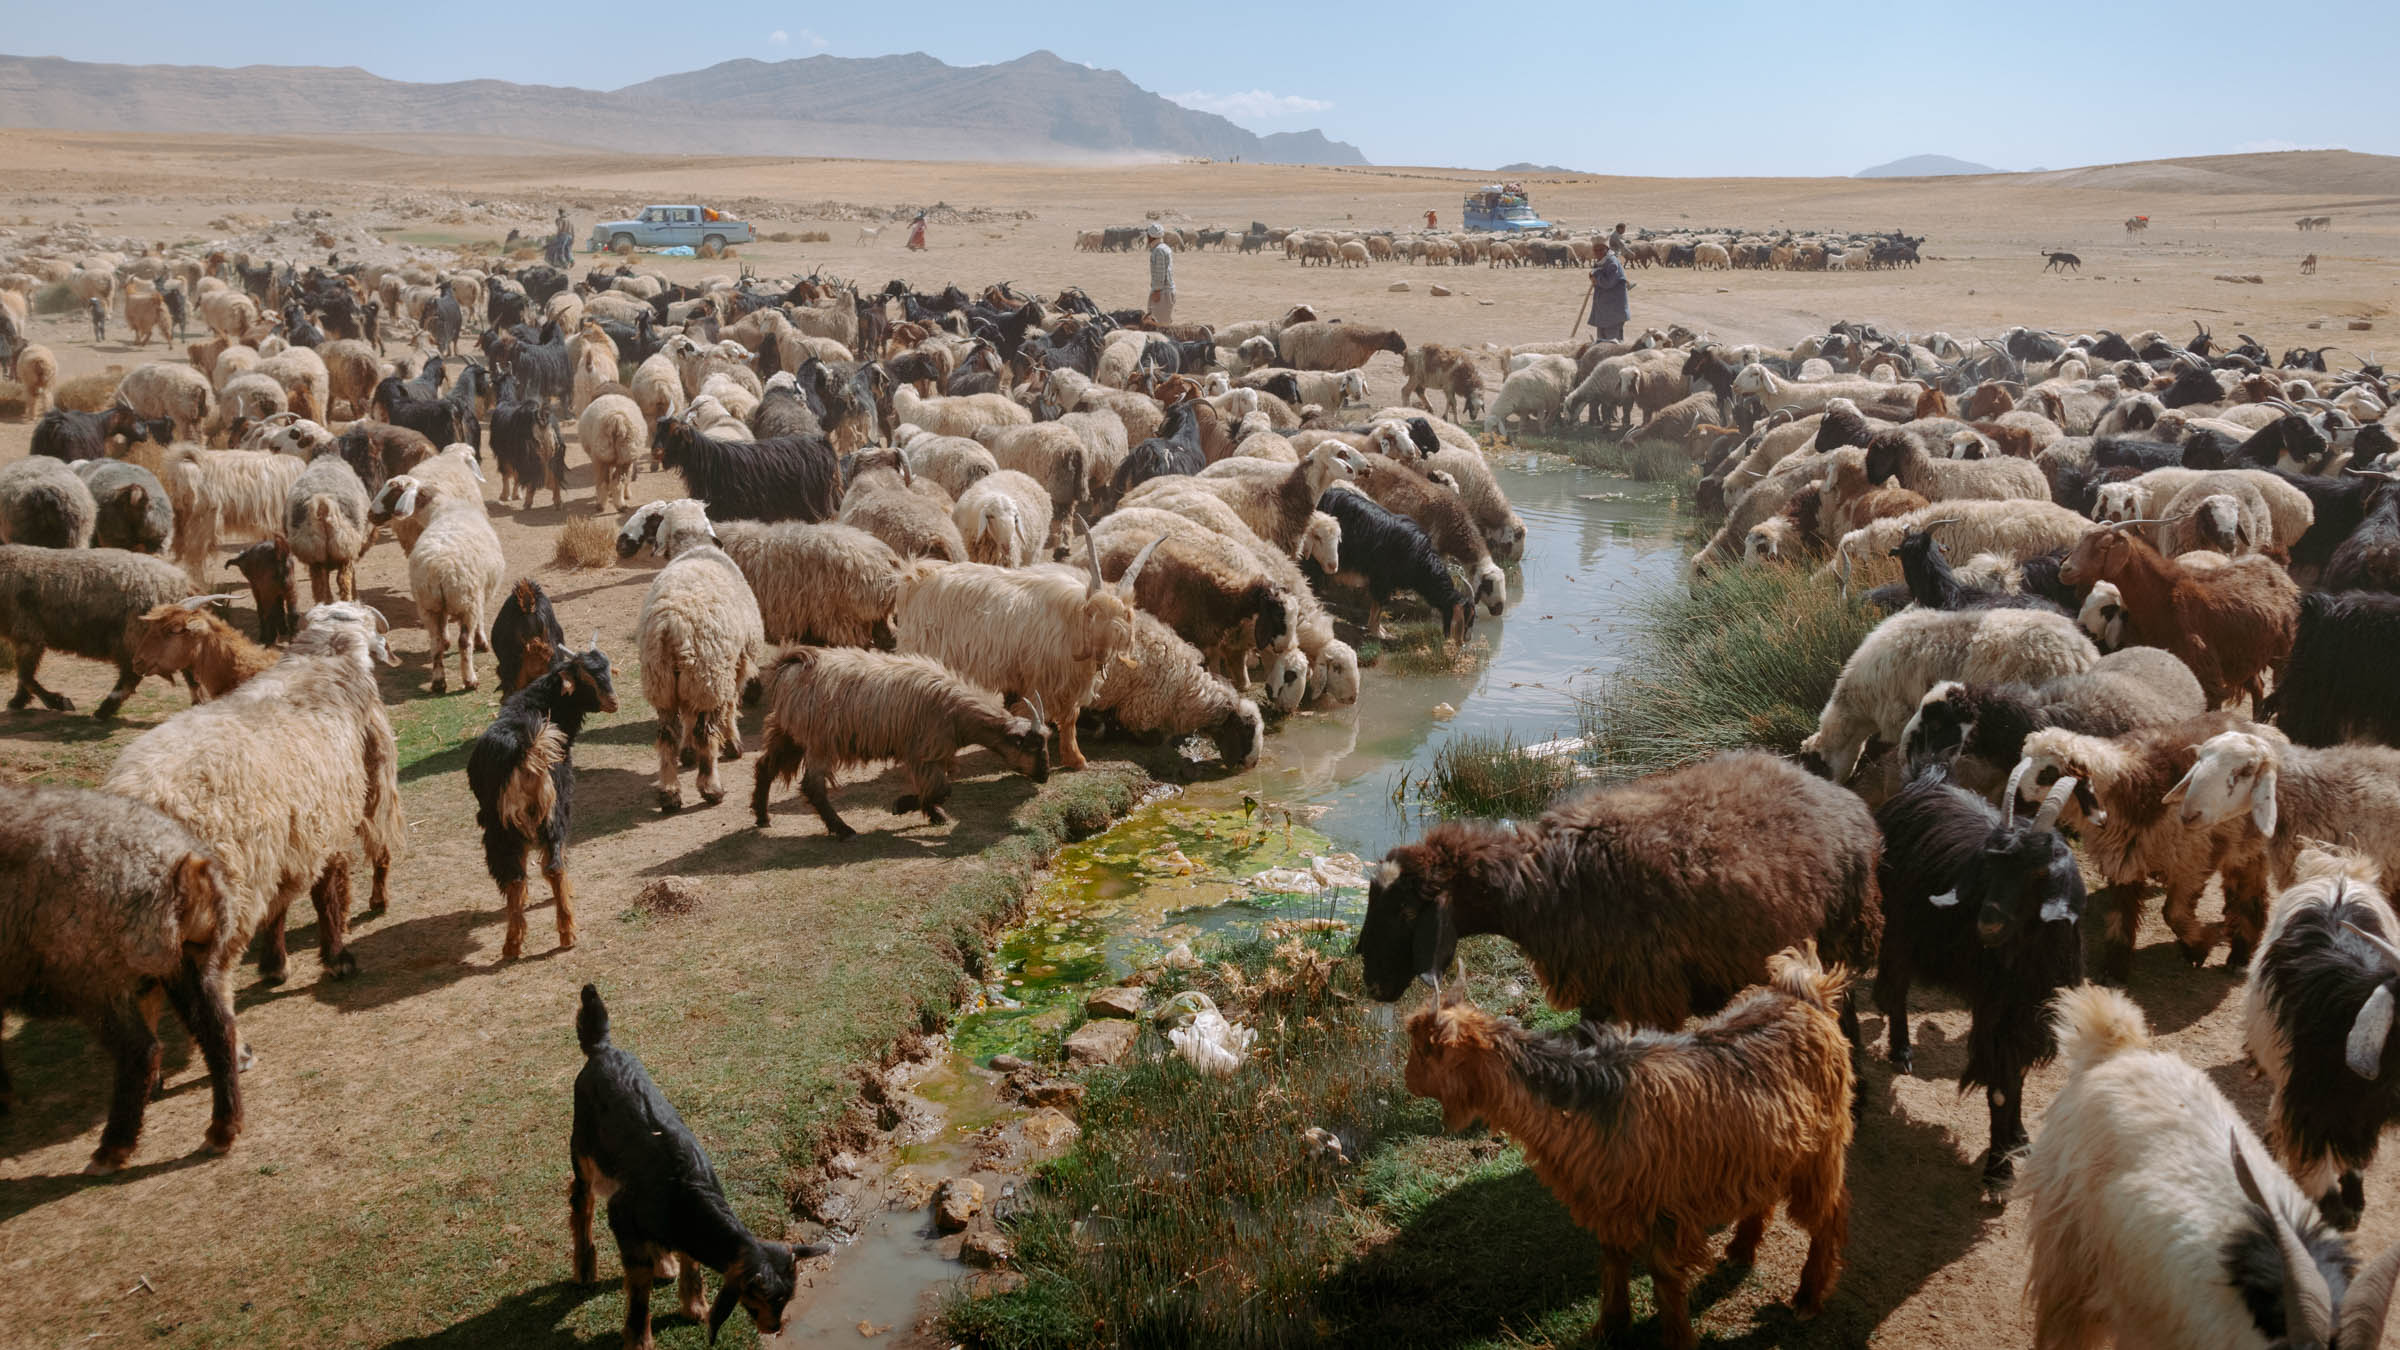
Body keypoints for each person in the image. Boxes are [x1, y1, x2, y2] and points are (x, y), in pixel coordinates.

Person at [1587, 238, 1630, 342]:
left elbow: (1608, 283)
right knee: (1602, 342)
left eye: (1601, 249)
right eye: (1595, 250)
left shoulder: (1612, 262)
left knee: (1612, 343)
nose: (1598, 252)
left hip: (1613, 310)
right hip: (1604, 310)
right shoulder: (1601, 262)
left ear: (1607, 249)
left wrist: (1596, 275)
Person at [1146, 223, 1175, 325]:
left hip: (1162, 292)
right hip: (1165, 290)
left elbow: (1160, 272)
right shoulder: (1164, 247)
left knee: (1159, 326)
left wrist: (1157, 291)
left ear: (1150, 237)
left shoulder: (1158, 251)